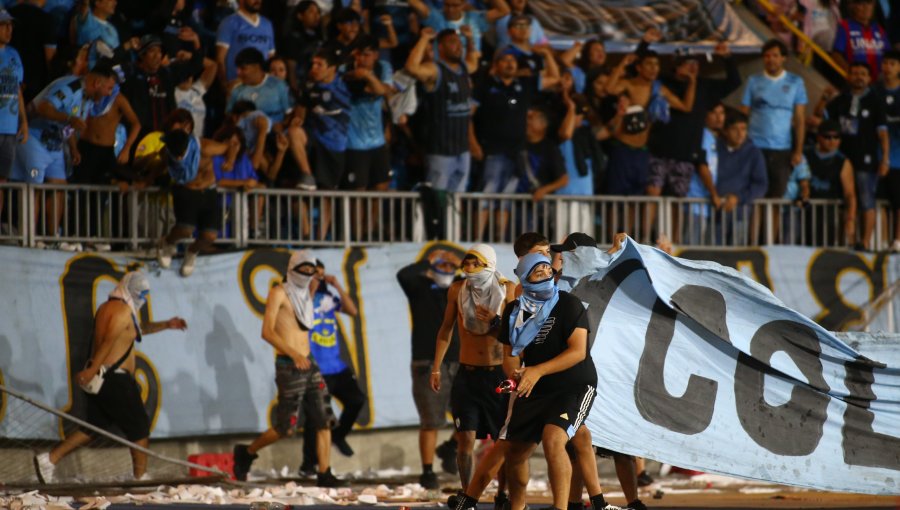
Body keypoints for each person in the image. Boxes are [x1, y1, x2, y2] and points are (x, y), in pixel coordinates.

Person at [33, 272, 187, 483]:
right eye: (140, 294)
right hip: (115, 378)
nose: (142, 299)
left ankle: (49, 459)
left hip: (105, 378)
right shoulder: (123, 311)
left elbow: (135, 331)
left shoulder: (109, 308)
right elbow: (107, 342)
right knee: (140, 427)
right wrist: (91, 370)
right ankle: (140, 477)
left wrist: (166, 324)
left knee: (93, 427)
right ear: (129, 290)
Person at [498, 253, 601, 510]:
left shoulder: (569, 303)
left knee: (553, 439)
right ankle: (518, 506)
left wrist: (537, 371)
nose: (546, 274)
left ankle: (562, 507)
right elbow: (509, 356)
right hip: (536, 385)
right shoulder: (513, 311)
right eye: (538, 271)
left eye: (547, 269)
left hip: (575, 384)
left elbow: (578, 352)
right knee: (514, 452)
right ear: (524, 278)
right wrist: (516, 376)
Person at [233, 251, 344, 487]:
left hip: (309, 362)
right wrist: (293, 354)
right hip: (289, 364)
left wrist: (319, 277)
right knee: (286, 427)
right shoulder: (279, 293)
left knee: (324, 418)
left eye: (309, 272)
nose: (306, 276)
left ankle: (324, 473)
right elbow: (267, 332)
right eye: (302, 272)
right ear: (292, 270)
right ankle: (247, 452)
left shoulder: (306, 295)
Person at [431, 244, 516, 492]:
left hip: (497, 375)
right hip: (467, 375)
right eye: (466, 263)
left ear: (488, 264)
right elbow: (445, 330)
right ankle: (468, 495)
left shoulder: (507, 289)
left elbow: (515, 334)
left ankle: (502, 494)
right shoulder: (458, 290)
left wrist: (494, 321)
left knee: (501, 441)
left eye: (475, 263)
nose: (469, 268)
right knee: (464, 439)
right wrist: (436, 367)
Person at [10, 61, 117, 250]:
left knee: (59, 187)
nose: (110, 94)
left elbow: (70, 127)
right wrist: (68, 119)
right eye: (109, 88)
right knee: (35, 187)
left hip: (56, 144)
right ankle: (29, 237)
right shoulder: (71, 87)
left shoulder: (89, 99)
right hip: (34, 138)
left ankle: (54, 238)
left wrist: (73, 148)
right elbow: (43, 108)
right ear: (97, 83)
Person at [473, 46, 559, 241]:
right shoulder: (485, 85)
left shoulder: (524, 85)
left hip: (517, 153)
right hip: (493, 151)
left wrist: (546, 54)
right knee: (488, 194)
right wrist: (473, 143)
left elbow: (554, 78)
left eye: (513, 60)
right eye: (505, 60)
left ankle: (500, 239)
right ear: (496, 65)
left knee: (506, 199)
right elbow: (469, 116)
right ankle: (476, 240)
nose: (510, 63)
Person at [397, 248, 464, 488]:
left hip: (459, 359)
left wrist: (461, 262)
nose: (445, 270)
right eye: (441, 266)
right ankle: (427, 471)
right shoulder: (420, 288)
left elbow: (484, 278)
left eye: (449, 267)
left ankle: (451, 447)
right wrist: (429, 258)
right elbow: (404, 275)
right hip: (427, 361)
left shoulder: (460, 287)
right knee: (430, 419)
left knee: (469, 415)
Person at [299, 259, 367, 473]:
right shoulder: (301, 298)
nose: (319, 278)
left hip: (336, 366)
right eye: (315, 274)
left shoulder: (328, 297)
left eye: (321, 274)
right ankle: (308, 464)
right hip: (316, 368)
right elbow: (303, 318)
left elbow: (352, 310)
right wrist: (310, 289)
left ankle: (339, 435)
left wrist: (336, 284)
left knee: (356, 400)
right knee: (315, 418)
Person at [815, 61, 889, 250]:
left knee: (866, 199)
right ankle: (847, 241)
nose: (858, 77)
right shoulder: (841, 99)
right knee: (845, 200)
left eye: (862, 73)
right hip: (842, 159)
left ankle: (864, 242)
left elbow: (882, 133)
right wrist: (824, 97)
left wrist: (885, 158)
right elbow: (820, 116)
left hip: (866, 159)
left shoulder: (875, 100)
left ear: (869, 78)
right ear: (848, 76)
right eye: (854, 73)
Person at [155, 118, 236, 277]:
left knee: (210, 236)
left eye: (181, 154)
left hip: (208, 190)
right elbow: (160, 166)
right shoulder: (168, 152)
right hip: (185, 189)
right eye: (176, 155)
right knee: (186, 229)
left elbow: (231, 146)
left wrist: (231, 161)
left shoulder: (205, 147)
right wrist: (146, 180)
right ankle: (168, 243)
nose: (178, 159)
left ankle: (191, 252)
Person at [405, 27, 478, 194]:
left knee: (456, 200)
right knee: (437, 201)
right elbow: (412, 68)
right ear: (440, 48)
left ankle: (452, 221)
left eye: (459, 43)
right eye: (452, 42)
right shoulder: (435, 70)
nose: (458, 46)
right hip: (440, 151)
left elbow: (474, 62)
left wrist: (470, 40)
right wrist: (424, 39)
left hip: (462, 150)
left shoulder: (463, 68)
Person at [739, 39, 807, 200]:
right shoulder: (753, 81)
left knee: (776, 195)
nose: (771, 59)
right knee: (755, 194)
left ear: (784, 58)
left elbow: (799, 120)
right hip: (755, 146)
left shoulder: (796, 82)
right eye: (767, 56)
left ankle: (772, 227)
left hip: (782, 149)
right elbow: (743, 115)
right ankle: (754, 227)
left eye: (775, 55)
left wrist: (798, 150)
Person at [714, 110, 768, 244]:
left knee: (735, 258)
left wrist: (738, 198)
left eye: (743, 129)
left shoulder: (754, 152)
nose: (740, 134)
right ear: (725, 131)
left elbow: (761, 184)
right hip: (714, 214)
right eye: (734, 129)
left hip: (740, 215)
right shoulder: (714, 147)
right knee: (711, 258)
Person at [803, 119, 857, 246]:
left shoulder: (843, 162)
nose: (832, 141)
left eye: (836, 137)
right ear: (818, 137)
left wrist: (850, 219)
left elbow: (850, 194)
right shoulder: (806, 155)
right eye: (827, 137)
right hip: (804, 212)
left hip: (829, 216)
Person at [0, 9, 27, 223]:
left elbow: (17, 90)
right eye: (3, 25)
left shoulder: (14, 55)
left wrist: (23, 121)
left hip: (9, 128)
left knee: (2, 179)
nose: (9, 30)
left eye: (11, 25)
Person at [216, 0, 276, 90]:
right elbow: (220, 58)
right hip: (238, 86)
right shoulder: (228, 23)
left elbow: (271, 56)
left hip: (262, 87)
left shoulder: (267, 24)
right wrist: (225, 85)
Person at [831, 0, 890, 79]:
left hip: (878, 82)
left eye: (869, 3)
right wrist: (851, 72)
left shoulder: (879, 29)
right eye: (861, 4)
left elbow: (889, 55)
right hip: (857, 81)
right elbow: (836, 55)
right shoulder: (845, 26)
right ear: (853, 7)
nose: (866, 7)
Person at [877, 50, 900, 251]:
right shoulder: (876, 91)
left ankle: (898, 241)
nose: (887, 67)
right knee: (880, 201)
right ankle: (883, 241)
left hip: (898, 158)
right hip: (876, 158)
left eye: (892, 63)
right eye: (885, 63)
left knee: (898, 201)